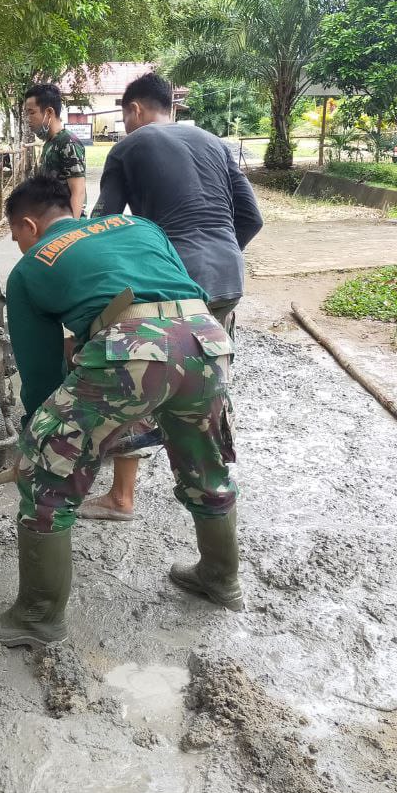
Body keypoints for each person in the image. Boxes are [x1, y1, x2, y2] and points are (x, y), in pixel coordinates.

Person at [0, 173, 241, 648]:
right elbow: (165, 290)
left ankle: (37, 616)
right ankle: (221, 579)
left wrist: (38, 441)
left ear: (30, 226)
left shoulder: (32, 266)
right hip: (207, 340)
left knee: (46, 477)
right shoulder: (140, 227)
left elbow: (38, 375)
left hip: (133, 348)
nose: (17, 244)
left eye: (14, 234)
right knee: (205, 462)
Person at [83, 72, 263, 521]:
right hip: (227, 278)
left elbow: (104, 223)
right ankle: (212, 490)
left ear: (135, 110)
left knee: (142, 375)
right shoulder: (217, 143)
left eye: (126, 117)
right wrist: (220, 256)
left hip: (175, 283)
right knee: (204, 381)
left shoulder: (129, 146)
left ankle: (122, 497)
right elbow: (252, 218)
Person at [22, 83, 87, 216]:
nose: (28, 120)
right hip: (52, 222)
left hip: (66, 226)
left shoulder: (68, 142)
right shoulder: (50, 142)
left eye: (32, 113)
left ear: (49, 112)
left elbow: (78, 191)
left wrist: (69, 230)